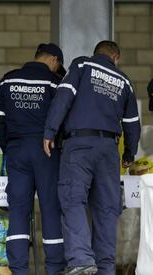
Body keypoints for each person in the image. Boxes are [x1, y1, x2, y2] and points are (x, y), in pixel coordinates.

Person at [43, 41, 141, 275]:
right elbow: (132, 125)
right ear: (115, 57)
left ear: (97, 53)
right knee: (107, 208)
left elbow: (63, 98)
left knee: (73, 198)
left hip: (80, 144)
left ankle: (81, 260)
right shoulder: (125, 80)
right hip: (109, 149)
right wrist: (128, 154)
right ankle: (105, 268)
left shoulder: (82, 64)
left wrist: (49, 131)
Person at [0, 43, 66, 275]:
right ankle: (54, 270)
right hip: (46, 150)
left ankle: (19, 270)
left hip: (16, 149)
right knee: (50, 209)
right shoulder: (54, 82)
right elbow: (62, 118)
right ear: (53, 60)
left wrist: (7, 146)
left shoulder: (8, 80)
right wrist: (57, 144)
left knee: (19, 210)